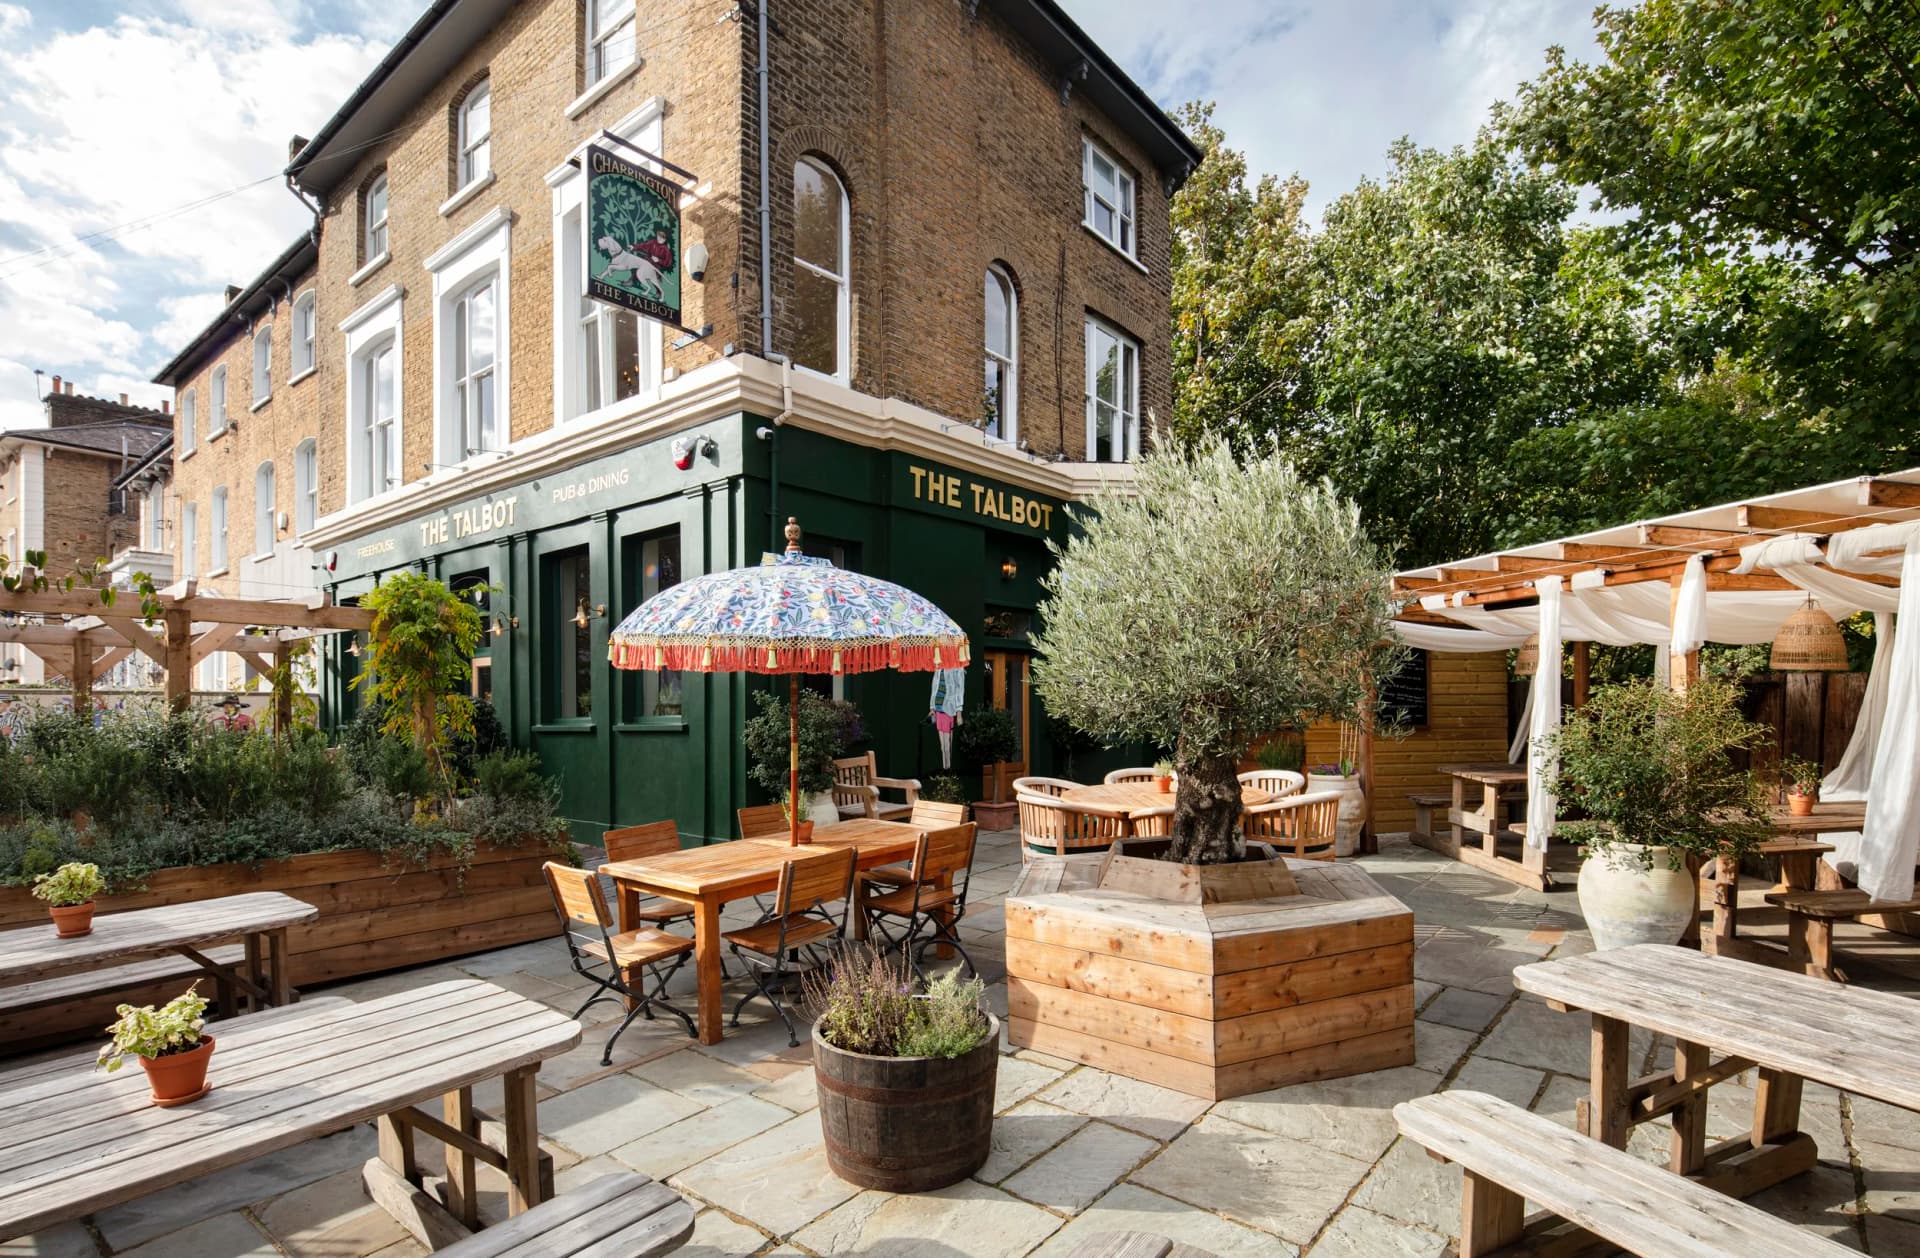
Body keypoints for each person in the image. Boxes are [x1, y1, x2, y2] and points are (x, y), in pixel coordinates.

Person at [928, 667, 965, 769]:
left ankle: (948, 770)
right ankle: (945, 769)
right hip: (938, 708)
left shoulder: (958, 667)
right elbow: (934, 685)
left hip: (949, 708)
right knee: (942, 746)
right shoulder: (938, 666)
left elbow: (959, 689)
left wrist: (959, 712)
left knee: (948, 745)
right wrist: (932, 707)